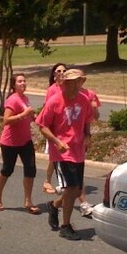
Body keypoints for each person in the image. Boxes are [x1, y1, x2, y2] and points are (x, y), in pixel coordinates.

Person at [36, 68, 93, 241]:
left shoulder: (84, 100)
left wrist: (88, 136)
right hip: (61, 152)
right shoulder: (54, 101)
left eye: (79, 81)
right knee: (72, 188)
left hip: (78, 151)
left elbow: (87, 122)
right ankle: (65, 226)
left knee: (75, 191)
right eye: (73, 82)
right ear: (65, 83)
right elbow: (42, 126)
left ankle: (54, 206)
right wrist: (57, 141)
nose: (77, 85)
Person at [0, 73, 40, 215]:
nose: (23, 83)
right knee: (7, 170)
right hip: (10, 142)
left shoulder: (25, 98)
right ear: (14, 85)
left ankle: (28, 201)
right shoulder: (12, 100)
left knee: (30, 169)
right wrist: (23, 114)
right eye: (20, 81)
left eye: (24, 81)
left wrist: (36, 117)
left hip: (25, 140)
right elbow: (6, 120)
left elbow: (29, 116)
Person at [78, 76, 101, 217]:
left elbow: (95, 118)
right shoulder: (61, 95)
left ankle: (55, 205)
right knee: (74, 180)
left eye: (80, 79)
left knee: (75, 178)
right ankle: (83, 203)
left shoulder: (89, 95)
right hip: (63, 144)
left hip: (80, 141)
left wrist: (93, 108)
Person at [42, 62, 67, 194]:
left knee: (55, 157)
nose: (61, 73)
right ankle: (60, 184)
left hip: (65, 129)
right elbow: (47, 109)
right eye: (59, 71)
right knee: (56, 157)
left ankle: (48, 181)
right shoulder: (52, 90)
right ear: (54, 74)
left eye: (64, 71)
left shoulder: (68, 88)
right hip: (54, 129)